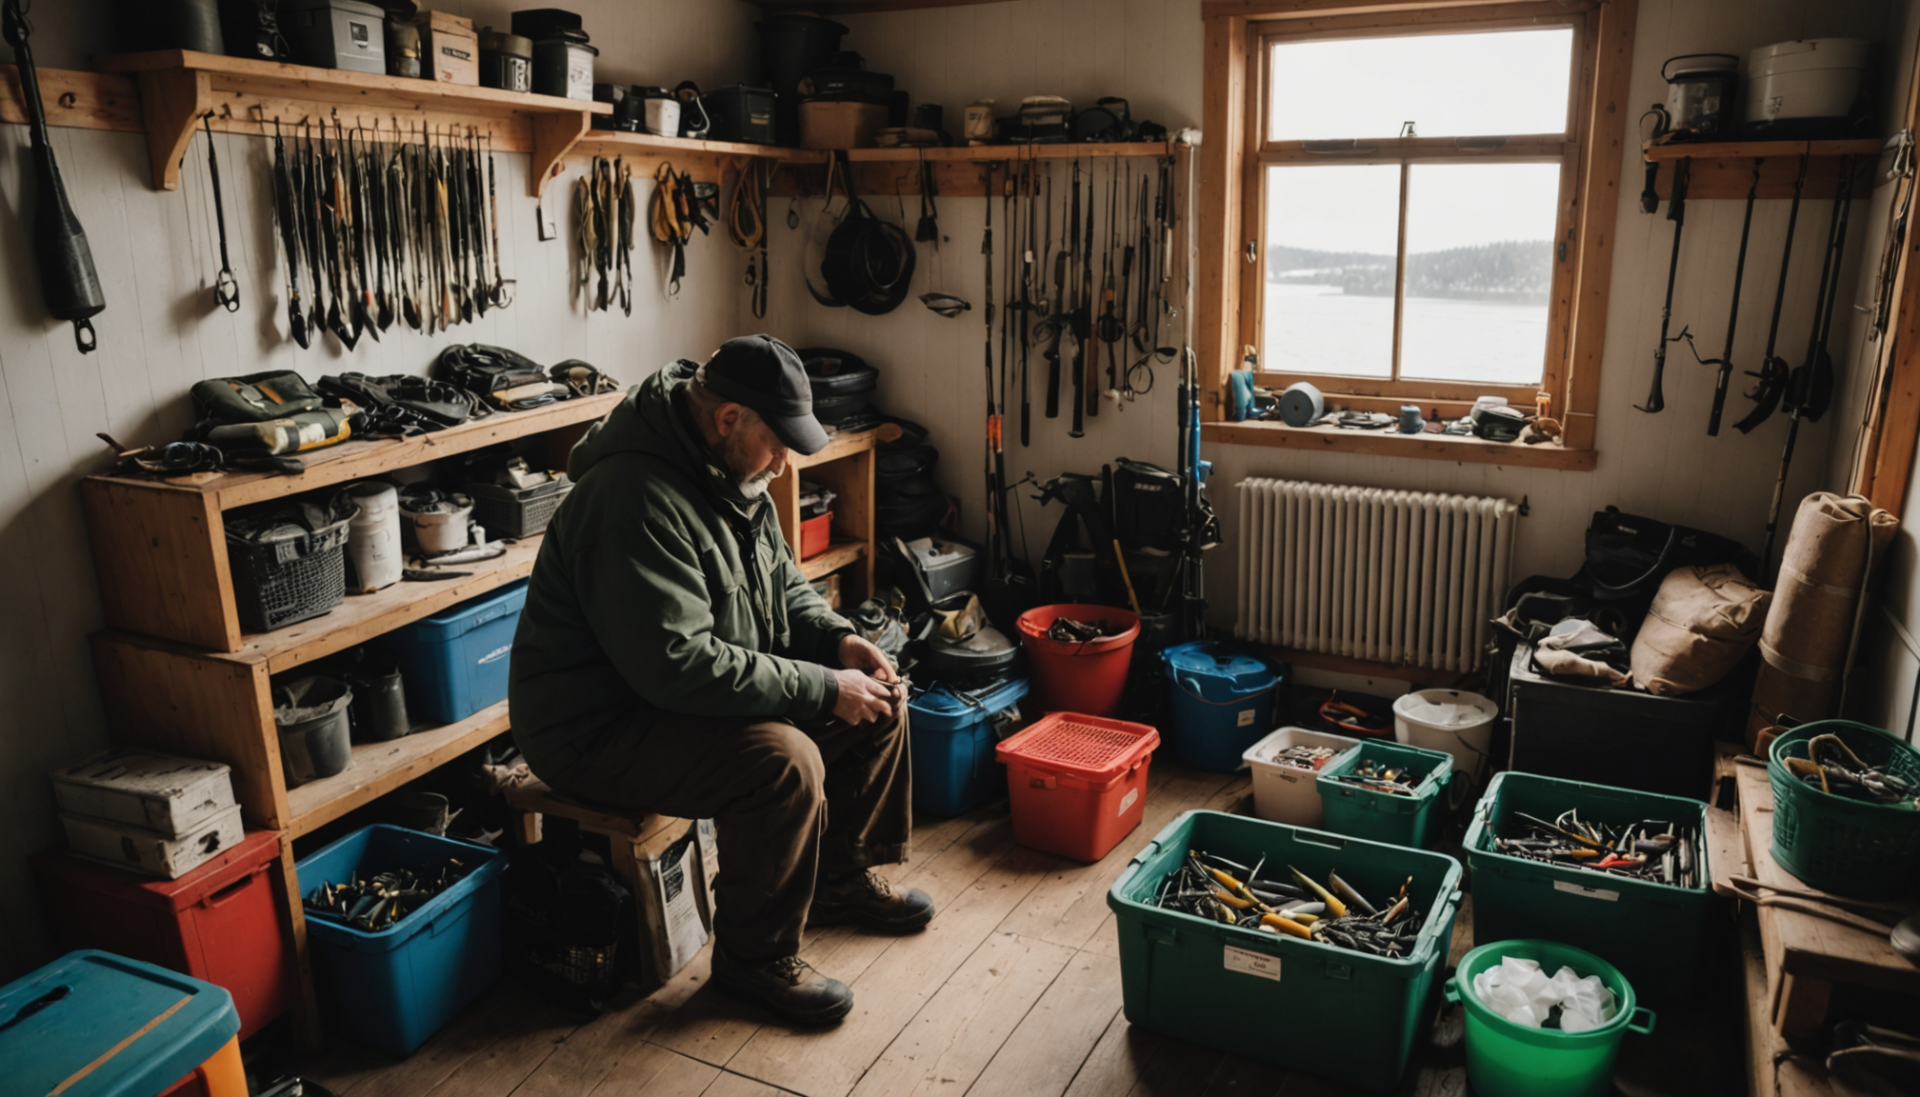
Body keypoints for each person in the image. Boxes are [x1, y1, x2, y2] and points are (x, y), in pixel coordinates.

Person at [508, 335, 932, 1026]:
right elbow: (677, 665)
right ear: (729, 417)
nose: (785, 461)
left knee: (880, 696)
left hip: (672, 696)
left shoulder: (730, 472)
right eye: (778, 442)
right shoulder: (633, 498)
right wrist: (824, 686)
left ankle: (839, 877)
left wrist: (838, 641)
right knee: (781, 762)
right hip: (594, 727)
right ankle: (752, 960)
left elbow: (784, 585)